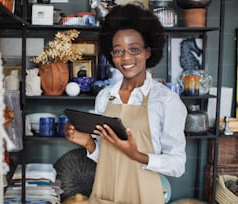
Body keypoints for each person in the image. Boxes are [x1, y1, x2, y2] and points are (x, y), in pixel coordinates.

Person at [65, 4, 187, 204]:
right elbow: (107, 157)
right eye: (118, 51)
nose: (126, 57)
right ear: (111, 55)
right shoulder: (105, 97)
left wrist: (137, 155)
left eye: (134, 49)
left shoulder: (166, 101)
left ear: (148, 51)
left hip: (143, 197)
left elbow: (177, 165)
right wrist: (87, 143)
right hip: (105, 195)